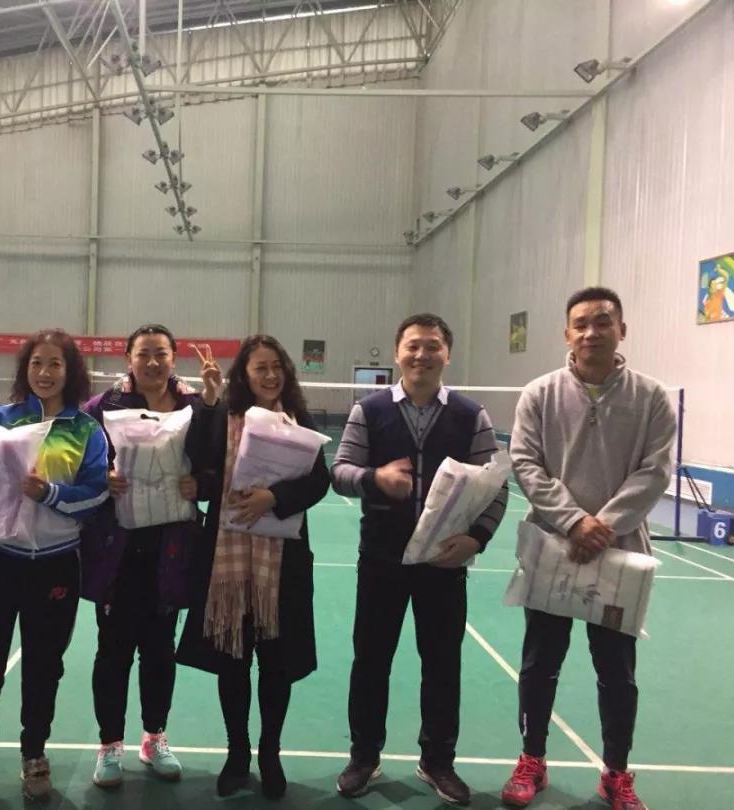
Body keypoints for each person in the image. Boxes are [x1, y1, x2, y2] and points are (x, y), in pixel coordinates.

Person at [501, 287, 675, 810]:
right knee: (539, 664)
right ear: (567, 334)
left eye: (602, 322)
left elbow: (655, 470)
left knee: (617, 672)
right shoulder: (539, 393)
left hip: (620, 558)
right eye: (581, 324)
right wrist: (574, 521)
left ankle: (616, 774)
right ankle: (532, 760)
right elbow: (525, 462)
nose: (591, 332)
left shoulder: (652, 397)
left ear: (622, 330)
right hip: (551, 550)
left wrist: (605, 525)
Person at [332, 313, 507, 806]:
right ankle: (364, 757)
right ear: (397, 353)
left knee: (442, 665)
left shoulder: (470, 415)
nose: (421, 355)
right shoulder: (368, 411)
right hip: (381, 560)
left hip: (444, 564)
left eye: (432, 346)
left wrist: (476, 539)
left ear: (447, 354)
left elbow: (496, 487)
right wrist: (375, 479)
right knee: (371, 662)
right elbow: (340, 471)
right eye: (413, 346)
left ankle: (438, 762)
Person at [0, 329, 109, 808]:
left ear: (70, 371)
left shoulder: (86, 430)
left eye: (55, 363)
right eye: (37, 363)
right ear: (26, 369)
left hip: (54, 566)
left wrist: (50, 494)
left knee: (44, 667)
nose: (45, 372)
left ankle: (34, 753)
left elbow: (97, 495)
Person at [178, 334, 330, 800]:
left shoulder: (298, 419)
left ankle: (269, 753)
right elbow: (203, 467)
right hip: (227, 562)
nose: (270, 375)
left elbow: (319, 482)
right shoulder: (224, 415)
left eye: (276, 366)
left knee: (276, 664)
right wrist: (208, 399)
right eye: (260, 367)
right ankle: (237, 752)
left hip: (282, 565)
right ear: (244, 374)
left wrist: (274, 498)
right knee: (233, 661)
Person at [82, 324, 218, 787]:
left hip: (171, 548)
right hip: (118, 549)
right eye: (144, 354)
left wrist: (202, 483)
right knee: (113, 650)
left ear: (174, 358)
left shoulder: (196, 405)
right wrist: (101, 477)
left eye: (161, 353)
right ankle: (109, 745)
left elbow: (216, 461)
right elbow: (77, 455)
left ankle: (154, 737)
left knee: (159, 649)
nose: (153, 362)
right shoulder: (105, 405)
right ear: (129, 359)